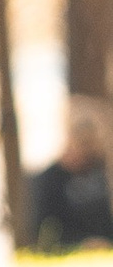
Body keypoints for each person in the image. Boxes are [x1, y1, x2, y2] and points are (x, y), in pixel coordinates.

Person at [28, 99, 112, 252]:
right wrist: (81, 244)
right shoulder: (49, 180)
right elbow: (44, 232)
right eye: (82, 142)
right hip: (72, 246)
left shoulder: (101, 172)